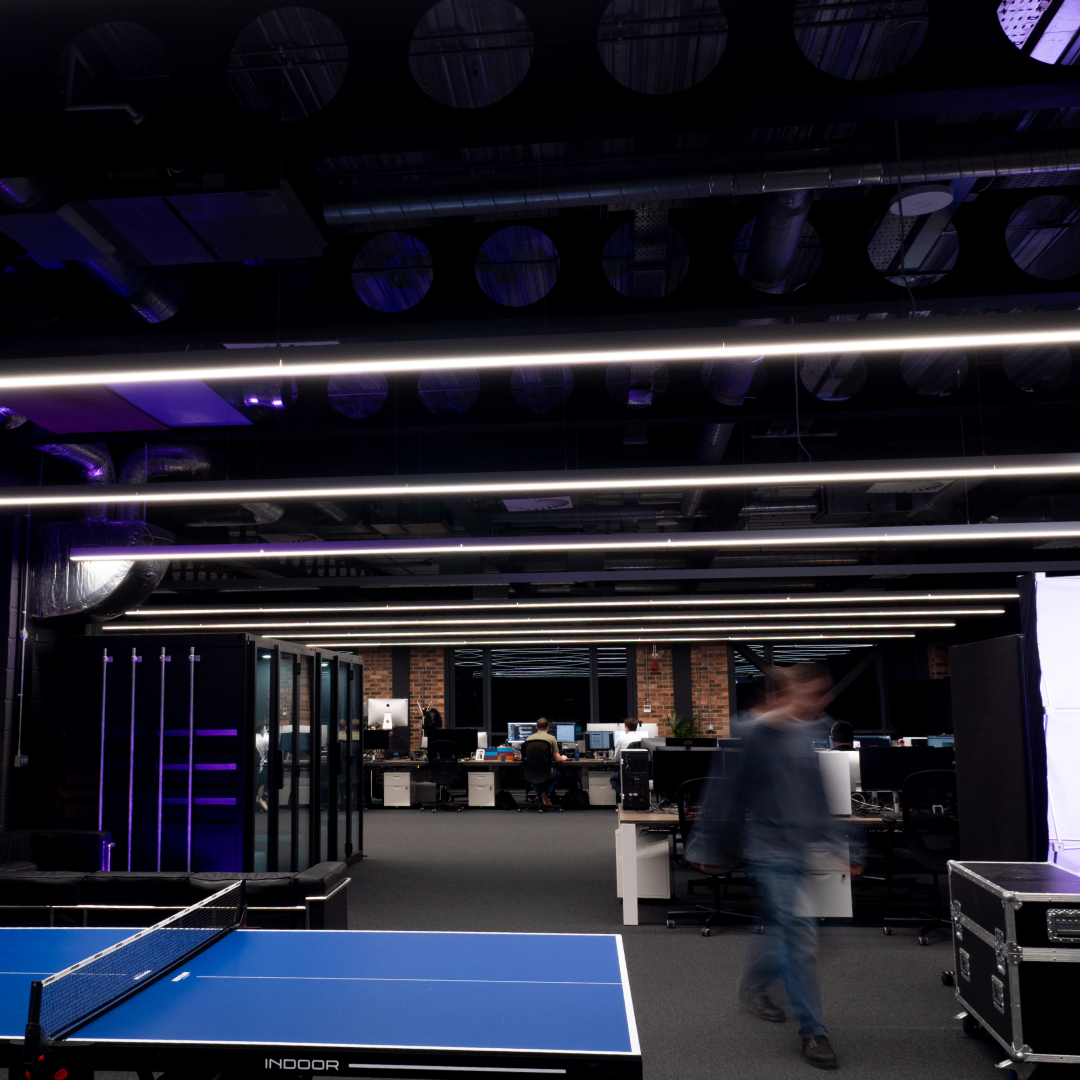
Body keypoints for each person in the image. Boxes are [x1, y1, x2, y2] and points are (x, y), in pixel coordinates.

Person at [686, 663, 863, 1071]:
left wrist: (843, 844)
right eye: (812, 694)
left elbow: (818, 797)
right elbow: (723, 792)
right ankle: (813, 1032)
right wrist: (707, 846)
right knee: (800, 940)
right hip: (767, 852)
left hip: (800, 850)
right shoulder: (751, 733)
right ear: (786, 693)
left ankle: (752, 985)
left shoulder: (808, 733)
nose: (820, 703)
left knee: (786, 933)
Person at [523, 718, 567, 808]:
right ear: (547, 727)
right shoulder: (551, 738)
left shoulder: (528, 739)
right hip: (547, 772)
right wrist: (563, 758)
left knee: (530, 777)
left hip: (531, 772)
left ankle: (540, 795)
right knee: (558, 774)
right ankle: (544, 794)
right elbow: (557, 759)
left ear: (536, 727)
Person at [610, 719, 642, 794]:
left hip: (627, 771)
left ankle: (622, 795)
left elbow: (617, 759)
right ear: (636, 727)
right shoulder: (642, 739)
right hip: (642, 772)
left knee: (613, 779)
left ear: (626, 728)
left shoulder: (621, 739)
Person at [255, 722, 269, 812]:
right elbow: (268, 754)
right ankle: (263, 798)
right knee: (271, 777)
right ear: (261, 730)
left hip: (253, 770)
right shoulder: (264, 741)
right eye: (263, 730)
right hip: (259, 770)